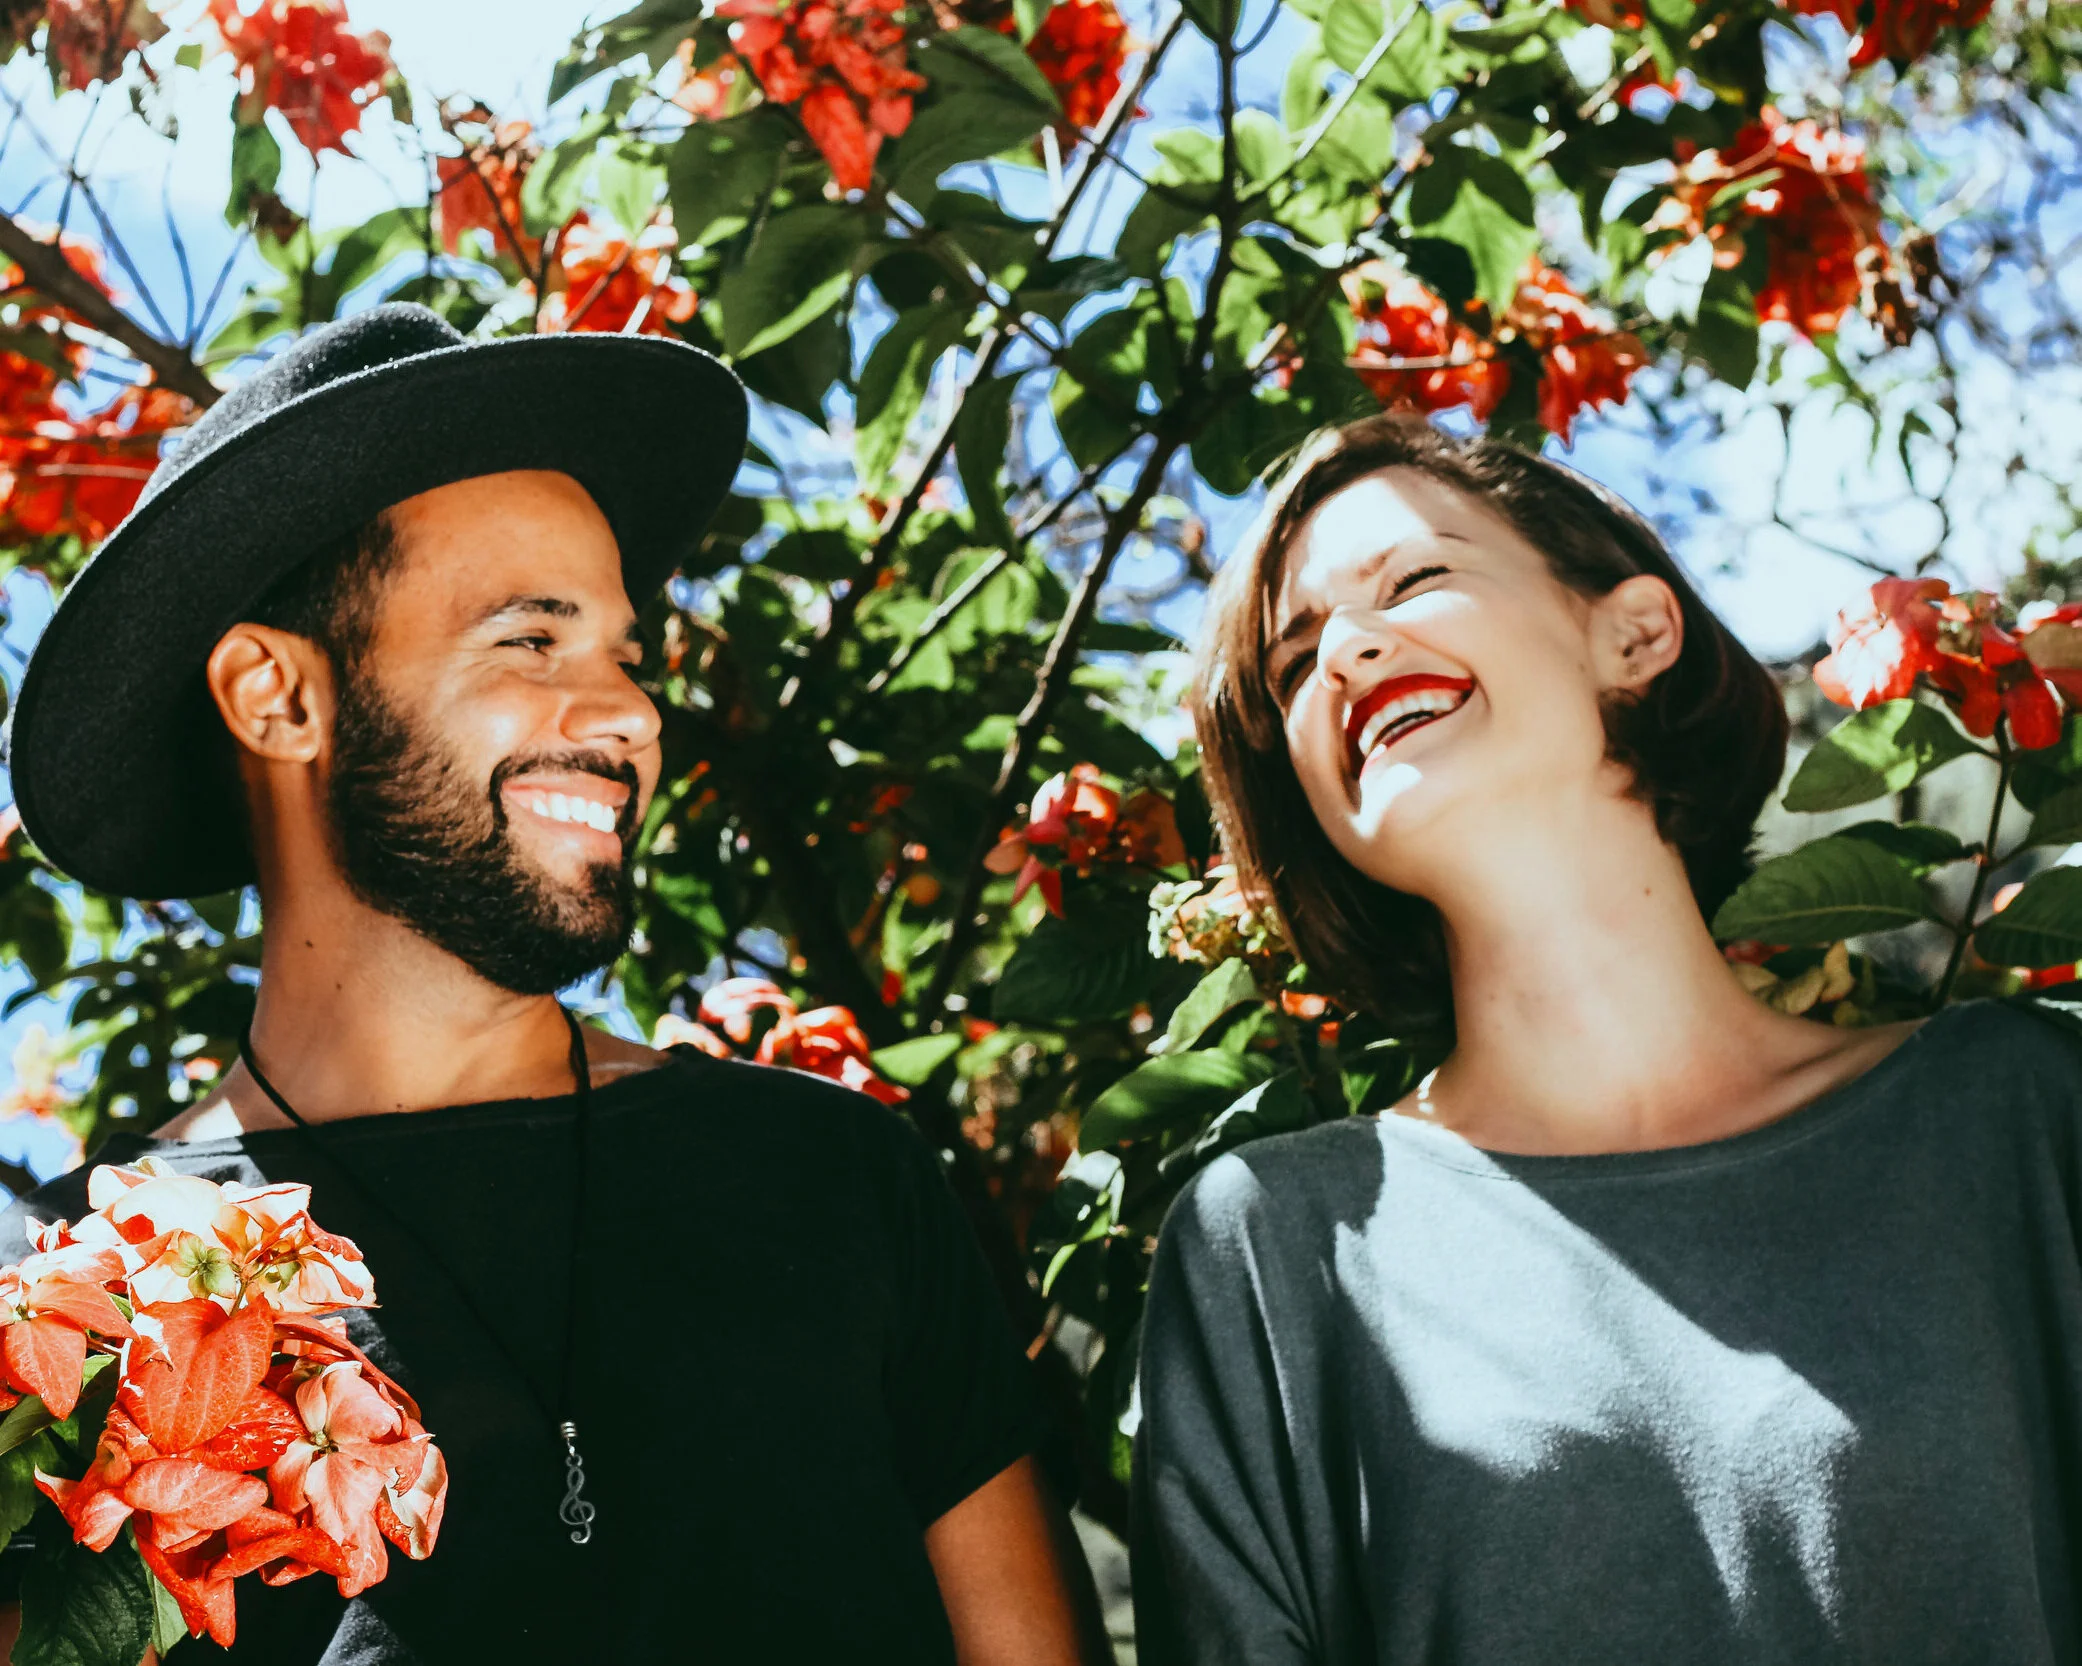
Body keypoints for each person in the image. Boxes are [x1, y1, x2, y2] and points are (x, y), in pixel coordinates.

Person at [0, 304, 1109, 1665]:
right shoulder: (64, 1309)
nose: (635, 712)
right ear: (277, 699)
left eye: (626, 656)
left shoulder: (833, 1177)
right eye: (533, 641)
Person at [1129, 412, 2082, 1664]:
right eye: (1295, 664)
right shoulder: (1274, 1248)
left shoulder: (2017, 1112)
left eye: (1412, 579)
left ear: (1633, 633)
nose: (1349, 652)